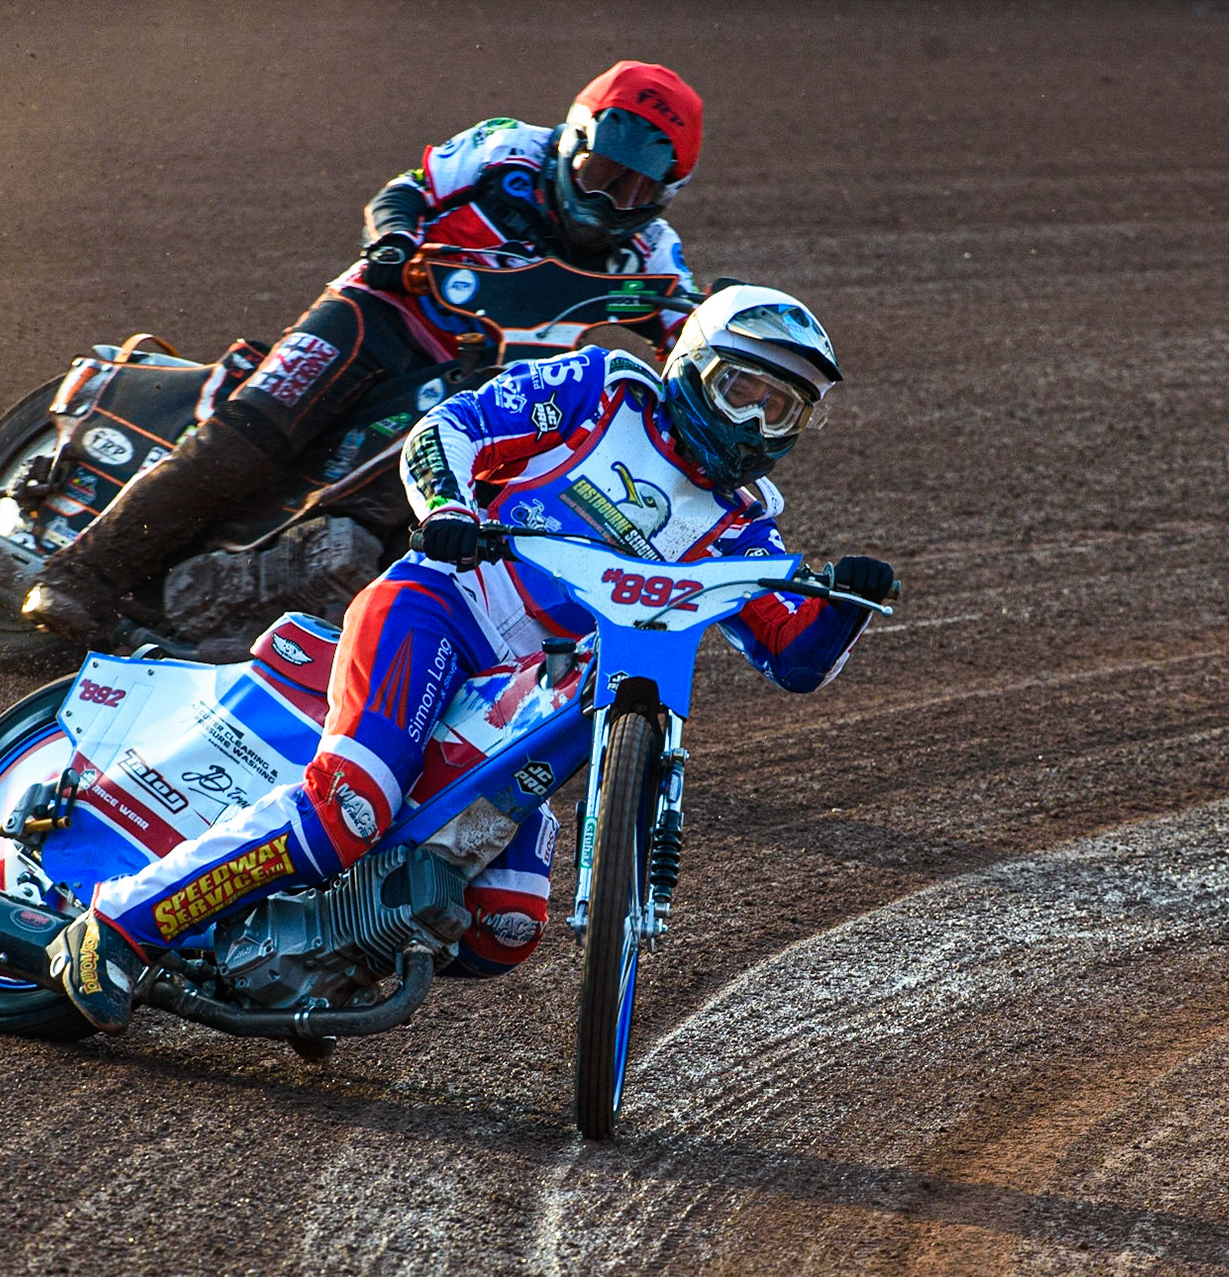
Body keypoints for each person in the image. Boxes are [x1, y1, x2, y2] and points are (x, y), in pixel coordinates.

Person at [46, 284, 897, 1032]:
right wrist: (446, 505)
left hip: (534, 699)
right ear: (691, 363)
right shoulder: (600, 392)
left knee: (504, 930)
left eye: (778, 409)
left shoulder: (743, 527)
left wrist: (844, 607)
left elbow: (796, 661)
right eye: (739, 389)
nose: (751, 421)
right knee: (351, 805)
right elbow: (449, 429)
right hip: (439, 611)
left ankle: (317, 955)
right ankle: (118, 927)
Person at [21, 61, 707, 644]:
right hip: (379, 314)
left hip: (476, 382)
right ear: (571, 141)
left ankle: (259, 615)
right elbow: (408, 189)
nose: (612, 199)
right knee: (247, 441)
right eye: (600, 172)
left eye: (638, 189)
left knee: (437, 508)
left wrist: (715, 345)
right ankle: (80, 573)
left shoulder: (651, 254)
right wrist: (393, 239)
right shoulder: (506, 148)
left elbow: (688, 337)